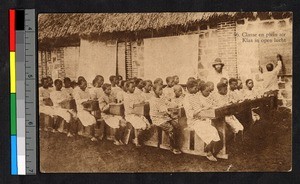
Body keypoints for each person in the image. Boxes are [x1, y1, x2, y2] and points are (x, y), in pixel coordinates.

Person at [183, 80, 222, 161]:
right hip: (193, 121)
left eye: (197, 88)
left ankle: (209, 147)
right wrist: (200, 110)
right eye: (195, 88)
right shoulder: (186, 99)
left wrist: (207, 107)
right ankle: (209, 152)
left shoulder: (195, 95)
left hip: (201, 118)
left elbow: (202, 105)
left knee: (214, 125)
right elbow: (190, 114)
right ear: (189, 88)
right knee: (212, 130)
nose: (197, 89)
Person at [149, 84, 182, 154]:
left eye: (162, 89)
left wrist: (176, 105)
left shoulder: (161, 97)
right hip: (157, 118)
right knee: (171, 129)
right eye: (159, 90)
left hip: (164, 117)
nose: (161, 91)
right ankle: (172, 147)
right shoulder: (152, 100)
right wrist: (169, 111)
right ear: (154, 90)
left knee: (177, 126)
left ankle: (177, 145)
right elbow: (161, 110)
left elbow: (168, 103)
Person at [123, 81, 150, 146]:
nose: (134, 88)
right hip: (130, 115)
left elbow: (142, 99)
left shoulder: (136, 95)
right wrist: (140, 103)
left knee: (147, 124)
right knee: (141, 124)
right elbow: (134, 105)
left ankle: (137, 138)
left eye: (134, 87)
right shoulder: (126, 97)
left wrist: (143, 102)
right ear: (127, 87)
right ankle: (136, 138)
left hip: (137, 113)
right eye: (132, 87)